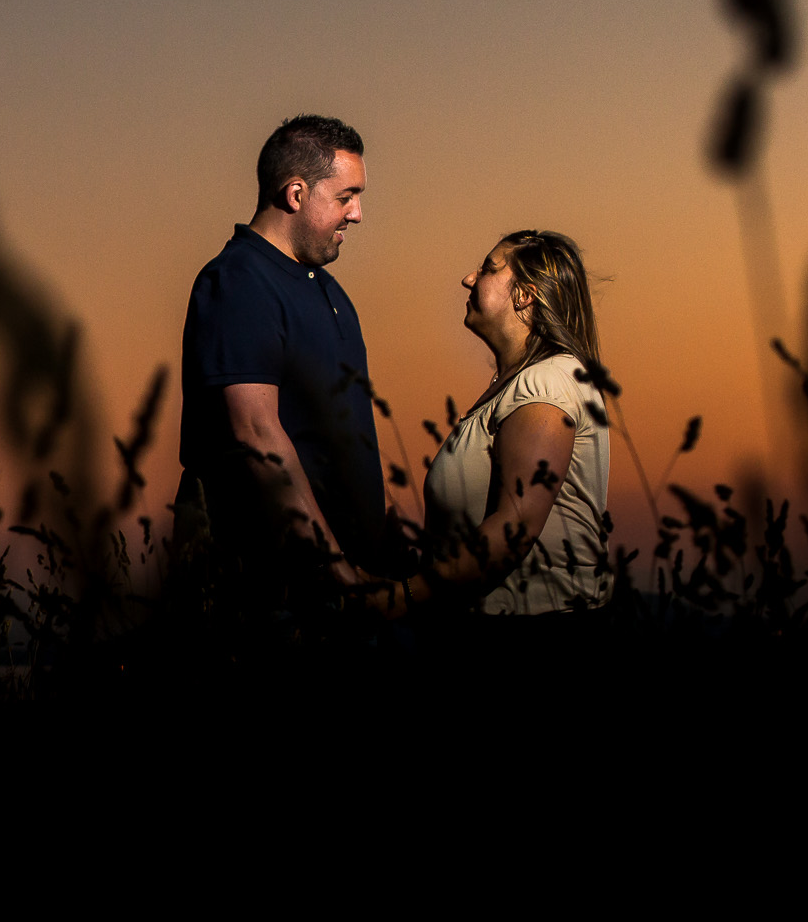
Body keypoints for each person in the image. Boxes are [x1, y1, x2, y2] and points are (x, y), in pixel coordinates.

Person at [177, 114, 393, 595]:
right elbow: (255, 432)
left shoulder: (328, 289)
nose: (357, 215)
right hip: (277, 587)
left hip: (353, 582)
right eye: (345, 197)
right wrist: (336, 570)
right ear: (295, 194)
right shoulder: (239, 281)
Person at [372, 230, 611, 620]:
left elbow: (513, 528)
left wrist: (400, 599)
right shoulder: (514, 386)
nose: (469, 278)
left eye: (487, 268)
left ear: (524, 295)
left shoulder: (548, 383)